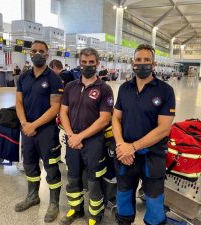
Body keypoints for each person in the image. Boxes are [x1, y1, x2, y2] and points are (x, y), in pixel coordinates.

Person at [112, 44, 176, 225]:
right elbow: (116, 119)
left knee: (155, 202)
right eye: (138, 60)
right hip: (125, 154)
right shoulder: (124, 88)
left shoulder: (165, 91)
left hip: (152, 156)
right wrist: (121, 146)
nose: (142, 64)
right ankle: (123, 221)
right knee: (123, 196)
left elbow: (163, 128)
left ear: (154, 64)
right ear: (133, 63)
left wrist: (132, 147)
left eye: (147, 60)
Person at [59, 47, 114, 225]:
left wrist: (80, 137)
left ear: (97, 63)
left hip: (94, 143)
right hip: (72, 140)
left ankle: (95, 216)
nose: (87, 66)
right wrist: (70, 135)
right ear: (79, 63)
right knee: (72, 178)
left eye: (91, 63)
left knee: (93, 181)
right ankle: (75, 210)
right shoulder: (70, 87)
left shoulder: (104, 89)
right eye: (84, 62)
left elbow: (104, 119)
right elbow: (63, 113)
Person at [15, 40, 64, 223]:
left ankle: (53, 203)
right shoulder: (24, 77)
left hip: (46, 132)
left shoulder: (53, 78)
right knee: (29, 164)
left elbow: (55, 108)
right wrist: (24, 123)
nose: (37, 53)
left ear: (47, 54)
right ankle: (32, 196)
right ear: (29, 53)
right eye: (34, 50)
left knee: (51, 167)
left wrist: (33, 125)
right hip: (27, 129)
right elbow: (18, 102)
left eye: (41, 51)